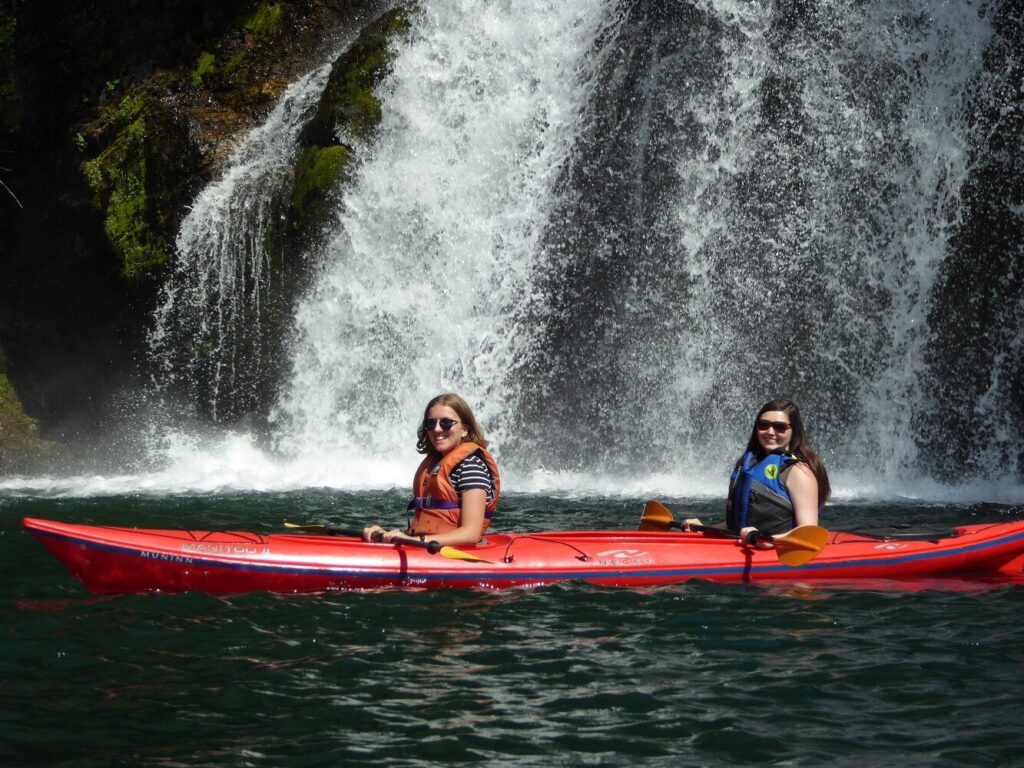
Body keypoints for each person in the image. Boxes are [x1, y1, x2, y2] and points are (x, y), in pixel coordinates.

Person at [363, 393, 500, 547]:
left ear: (465, 429)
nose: (437, 429)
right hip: (429, 548)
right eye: (430, 424)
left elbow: (471, 534)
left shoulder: (471, 467)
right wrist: (390, 534)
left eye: (446, 423)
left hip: (457, 555)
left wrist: (416, 541)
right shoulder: (433, 466)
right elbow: (426, 529)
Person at [684, 398, 830, 544]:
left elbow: (809, 533)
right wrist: (702, 529)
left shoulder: (799, 472)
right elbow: (736, 527)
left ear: (794, 430)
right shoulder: (747, 465)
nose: (770, 432)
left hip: (776, 552)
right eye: (764, 425)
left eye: (780, 427)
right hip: (742, 546)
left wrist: (770, 540)